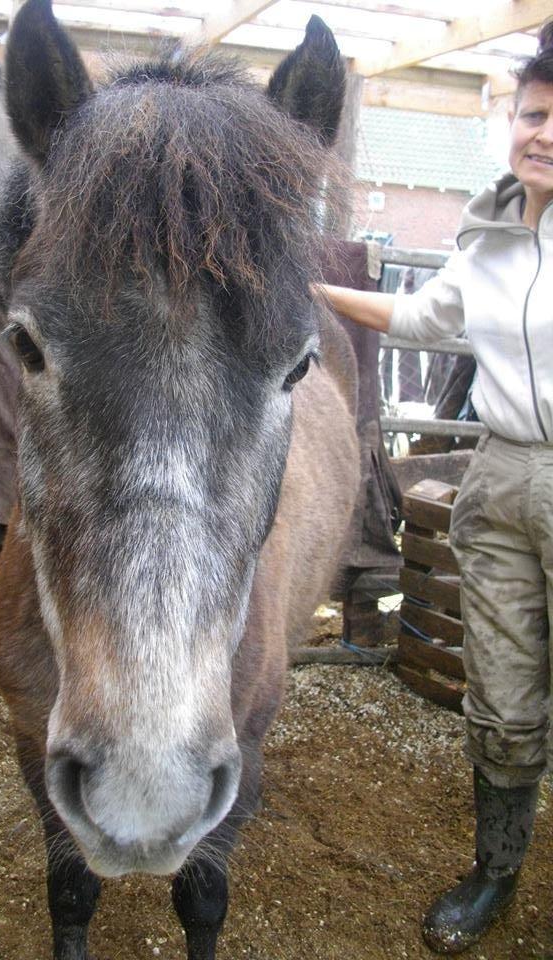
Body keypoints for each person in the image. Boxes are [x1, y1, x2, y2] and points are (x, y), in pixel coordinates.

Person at [321, 21, 553, 956]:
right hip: (498, 476)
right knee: (498, 693)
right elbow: (422, 315)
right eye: (534, 114)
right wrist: (315, 290)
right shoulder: (495, 233)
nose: (540, 133)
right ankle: (496, 871)